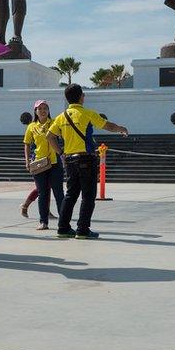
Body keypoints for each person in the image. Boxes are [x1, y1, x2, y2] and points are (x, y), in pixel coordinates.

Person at [46, 84, 129, 240]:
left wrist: (61, 152)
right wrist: (121, 129)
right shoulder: (87, 113)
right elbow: (108, 125)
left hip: (69, 160)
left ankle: (63, 228)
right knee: (88, 196)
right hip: (86, 159)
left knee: (70, 195)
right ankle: (83, 230)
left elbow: (50, 137)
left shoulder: (61, 117)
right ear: (81, 97)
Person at [23, 99, 64, 230]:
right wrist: (27, 160)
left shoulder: (54, 123)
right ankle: (43, 222)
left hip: (54, 162)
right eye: (40, 108)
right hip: (39, 163)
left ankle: (64, 221)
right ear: (35, 111)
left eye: (45, 108)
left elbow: (63, 136)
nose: (43, 110)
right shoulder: (31, 126)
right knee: (43, 193)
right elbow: (27, 144)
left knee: (59, 193)